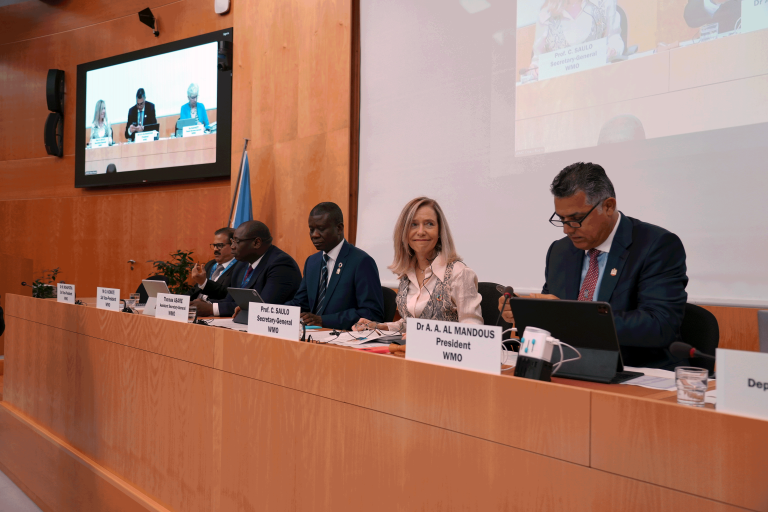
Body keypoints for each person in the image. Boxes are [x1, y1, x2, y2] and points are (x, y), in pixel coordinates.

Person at [500, 162, 689, 369]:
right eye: (561, 219)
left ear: (608, 206)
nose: (566, 230)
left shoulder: (656, 245)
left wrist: (573, 317)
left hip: (636, 372)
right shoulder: (560, 251)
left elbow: (660, 325)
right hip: (569, 368)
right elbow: (555, 313)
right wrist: (529, 312)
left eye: (576, 219)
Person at [353, 197, 483, 337]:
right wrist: (378, 326)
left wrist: (424, 336)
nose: (421, 231)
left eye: (429, 224)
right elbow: (410, 324)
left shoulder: (459, 274)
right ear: (404, 232)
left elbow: (473, 331)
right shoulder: (407, 274)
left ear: (439, 232)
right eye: (413, 224)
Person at [286, 202, 384, 330]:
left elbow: (372, 313)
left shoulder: (361, 262)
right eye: (311, 229)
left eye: (321, 229)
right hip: (313, 337)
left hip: (344, 338)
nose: (314, 235)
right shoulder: (312, 262)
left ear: (339, 228)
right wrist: (271, 313)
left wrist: (323, 320)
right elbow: (300, 303)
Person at [202, 220, 301, 318]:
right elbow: (230, 300)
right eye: (232, 241)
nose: (232, 247)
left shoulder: (281, 264)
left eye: (237, 241)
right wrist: (206, 304)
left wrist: (212, 308)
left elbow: (264, 307)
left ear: (257, 243)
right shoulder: (241, 265)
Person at [528, 0, 624, 79]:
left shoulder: (604, 3)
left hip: (599, 80)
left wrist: (613, 49)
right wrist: (535, 69)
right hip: (561, 90)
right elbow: (538, 59)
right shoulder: (546, 14)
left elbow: (614, 39)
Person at [189, 227, 237, 308]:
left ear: (233, 245)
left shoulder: (240, 267)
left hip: (213, 312)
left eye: (219, 245)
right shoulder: (210, 264)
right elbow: (195, 290)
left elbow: (228, 295)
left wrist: (204, 283)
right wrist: (177, 301)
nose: (215, 249)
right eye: (214, 245)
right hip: (195, 308)